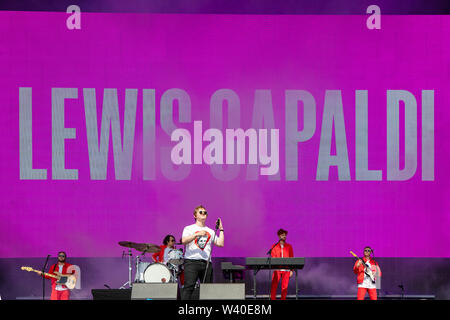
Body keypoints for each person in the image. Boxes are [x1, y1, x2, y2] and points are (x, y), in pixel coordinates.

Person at [181, 205, 224, 300]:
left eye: (205, 212)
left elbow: (220, 243)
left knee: (207, 289)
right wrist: (197, 234)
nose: (203, 214)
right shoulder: (189, 228)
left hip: (206, 263)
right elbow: (183, 240)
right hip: (191, 261)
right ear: (195, 215)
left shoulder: (210, 231)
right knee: (189, 287)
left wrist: (221, 229)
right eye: (201, 212)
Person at [269, 229, 294, 300]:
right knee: (273, 287)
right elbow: (273, 257)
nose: (284, 236)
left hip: (286, 270)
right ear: (279, 236)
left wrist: (291, 270)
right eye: (283, 235)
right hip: (277, 269)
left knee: (284, 288)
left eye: (285, 235)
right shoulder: (274, 246)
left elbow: (292, 258)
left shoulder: (289, 246)